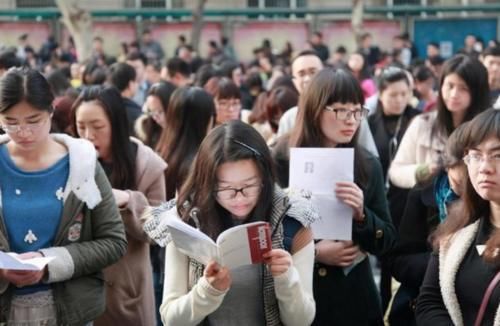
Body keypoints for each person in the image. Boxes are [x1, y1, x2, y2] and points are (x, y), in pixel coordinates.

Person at [144, 120, 317, 325]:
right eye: (225, 188)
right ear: (207, 183)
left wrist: (287, 279)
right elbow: (171, 318)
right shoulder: (186, 220)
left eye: (249, 185)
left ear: (266, 177)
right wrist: (207, 291)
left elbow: (302, 321)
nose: (239, 198)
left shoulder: (293, 220)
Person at [0, 67, 127, 325]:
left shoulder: (82, 162)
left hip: (69, 311)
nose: (23, 132)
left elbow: (114, 241)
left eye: (33, 120)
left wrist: (49, 263)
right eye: (10, 122)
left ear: (51, 111)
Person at [273, 68, 396, 325]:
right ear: (315, 109)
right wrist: (314, 253)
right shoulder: (281, 159)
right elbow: (264, 233)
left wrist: (362, 216)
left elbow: (386, 240)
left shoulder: (366, 163)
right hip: (300, 296)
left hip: (354, 297)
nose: (351, 120)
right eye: (341, 110)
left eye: (357, 111)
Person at [71, 85, 167, 326]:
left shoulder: (147, 166)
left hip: (126, 293)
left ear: (117, 124)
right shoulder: (69, 161)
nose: (88, 135)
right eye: (81, 127)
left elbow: (159, 231)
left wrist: (127, 200)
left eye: (98, 126)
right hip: (80, 291)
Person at [416, 108, 500, 325]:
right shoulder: (459, 225)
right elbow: (429, 301)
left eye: (497, 155)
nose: (484, 168)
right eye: (475, 155)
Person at [387, 122, 468, 326]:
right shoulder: (422, 195)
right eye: (458, 183)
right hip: (425, 302)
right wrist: (446, 262)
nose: (464, 191)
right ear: (448, 166)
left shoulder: (487, 199)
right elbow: (399, 263)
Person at [388, 54, 491, 189]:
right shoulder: (422, 123)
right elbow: (396, 171)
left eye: (463, 88)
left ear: (478, 92)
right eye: (450, 85)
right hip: (428, 206)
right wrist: (424, 171)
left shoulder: (489, 129)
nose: (454, 94)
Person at [135, 81, 176, 149]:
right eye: (152, 111)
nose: (155, 117)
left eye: (160, 112)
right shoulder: (147, 131)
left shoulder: (185, 135)